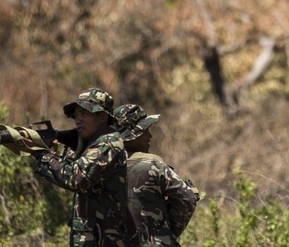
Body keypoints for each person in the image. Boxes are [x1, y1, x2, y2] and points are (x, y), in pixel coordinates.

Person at [32, 87, 133, 246]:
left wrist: (43, 156)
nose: (78, 120)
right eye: (76, 115)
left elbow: (75, 177)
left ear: (102, 116)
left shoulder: (108, 145)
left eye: (84, 114)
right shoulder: (91, 145)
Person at [113, 104, 199, 246]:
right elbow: (188, 199)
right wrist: (166, 235)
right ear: (133, 135)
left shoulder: (102, 167)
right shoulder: (152, 165)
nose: (150, 136)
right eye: (145, 130)